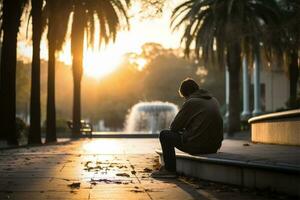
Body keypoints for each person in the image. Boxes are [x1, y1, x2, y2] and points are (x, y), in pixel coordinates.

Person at [151, 78, 223, 178]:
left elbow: (174, 127)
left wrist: (184, 129)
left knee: (165, 135)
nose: (185, 99)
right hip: (214, 147)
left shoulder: (191, 102)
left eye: (184, 97)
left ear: (187, 93)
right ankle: (168, 169)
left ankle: (169, 170)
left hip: (198, 146)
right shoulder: (213, 100)